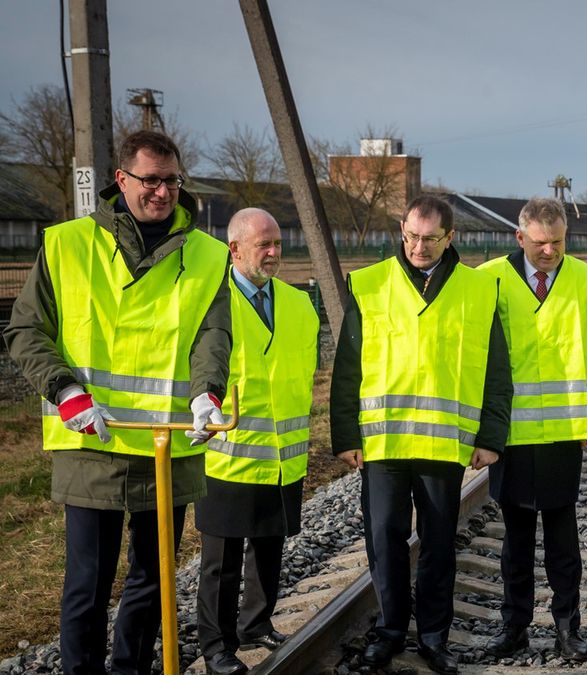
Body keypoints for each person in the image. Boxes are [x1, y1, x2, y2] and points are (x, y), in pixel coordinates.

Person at [3, 130, 231, 675]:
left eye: (172, 180)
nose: (163, 191)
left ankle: (131, 667)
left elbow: (212, 336)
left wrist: (207, 394)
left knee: (153, 578)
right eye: (150, 180)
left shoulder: (207, 255)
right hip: (93, 437)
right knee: (89, 579)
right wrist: (64, 390)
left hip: (167, 440)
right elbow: (26, 330)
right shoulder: (67, 244)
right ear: (121, 180)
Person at [330, 194, 512, 675]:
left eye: (430, 238)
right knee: (385, 540)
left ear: (450, 237)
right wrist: (346, 433)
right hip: (384, 444)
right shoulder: (370, 285)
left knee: (437, 545)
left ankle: (434, 637)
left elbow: (496, 371)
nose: (418, 246)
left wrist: (490, 436)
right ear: (401, 230)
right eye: (411, 235)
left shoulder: (477, 291)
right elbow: (347, 368)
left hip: (442, 446)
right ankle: (389, 631)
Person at [193, 208, 319, 675]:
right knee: (220, 562)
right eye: (263, 244)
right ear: (234, 248)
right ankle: (217, 646)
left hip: (283, 453)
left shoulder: (297, 302)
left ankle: (256, 625)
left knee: (270, 544)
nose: (273, 253)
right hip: (227, 454)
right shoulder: (210, 301)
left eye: (277, 244)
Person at [477, 198, 587, 661]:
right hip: (509, 435)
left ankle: (569, 629)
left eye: (558, 242)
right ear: (520, 237)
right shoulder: (487, 279)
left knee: (563, 541)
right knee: (515, 542)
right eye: (540, 243)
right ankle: (515, 627)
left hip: (562, 435)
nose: (550, 251)